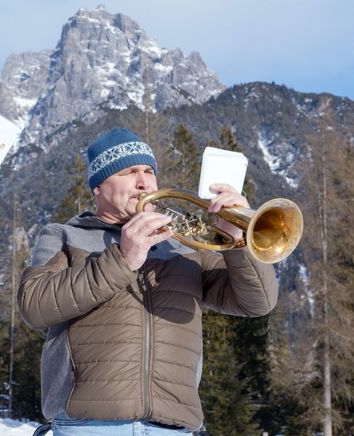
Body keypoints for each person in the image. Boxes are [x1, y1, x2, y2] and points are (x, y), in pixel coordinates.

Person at [17, 128, 278, 435]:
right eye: (129, 172)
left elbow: (257, 302)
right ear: (98, 187)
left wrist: (237, 241)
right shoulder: (64, 236)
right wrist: (121, 260)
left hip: (173, 428)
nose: (143, 181)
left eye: (148, 172)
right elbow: (34, 307)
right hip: (89, 426)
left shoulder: (185, 246)